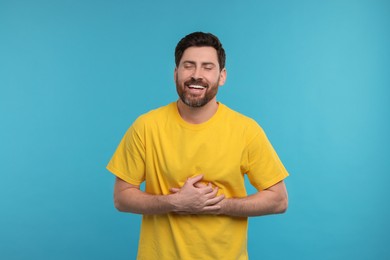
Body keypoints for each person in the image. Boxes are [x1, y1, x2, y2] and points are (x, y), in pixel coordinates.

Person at [107, 32, 289, 259]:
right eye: (189, 66)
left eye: (207, 67)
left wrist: (218, 205)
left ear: (222, 76)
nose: (196, 75)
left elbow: (279, 200)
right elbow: (121, 198)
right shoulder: (146, 126)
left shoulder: (246, 130)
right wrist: (174, 202)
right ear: (175, 73)